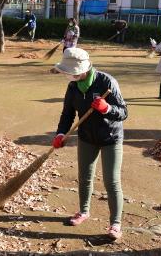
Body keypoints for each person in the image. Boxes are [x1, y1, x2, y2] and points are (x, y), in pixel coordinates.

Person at [50, 48, 128, 240]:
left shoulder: (106, 82)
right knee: (84, 177)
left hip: (110, 137)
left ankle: (115, 224)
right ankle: (84, 211)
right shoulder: (73, 86)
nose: (69, 75)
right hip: (87, 137)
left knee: (111, 181)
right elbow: (67, 113)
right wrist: (61, 133)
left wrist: (107, 108)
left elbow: (123, 112)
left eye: (71, 72)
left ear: (83, 69)